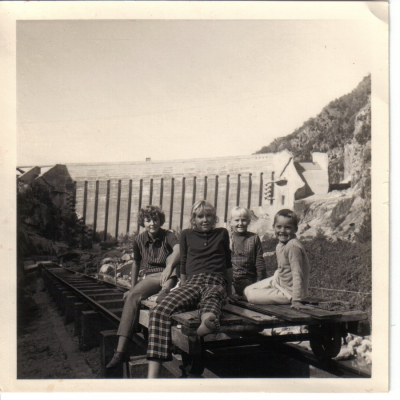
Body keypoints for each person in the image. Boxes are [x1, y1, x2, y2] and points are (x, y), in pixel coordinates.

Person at [146, 200, 233, 378]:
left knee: (213, 295)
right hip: (192, 282)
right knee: (158, 312)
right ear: (193, 219)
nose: (205, 220)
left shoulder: (222, 233)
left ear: (214, 218)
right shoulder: (186, 234)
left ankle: (207, 320)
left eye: (209, 216)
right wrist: (181, 285)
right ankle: (152, 378)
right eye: (200, 216)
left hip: (216, 279)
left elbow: (228, 264)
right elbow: (183, 263)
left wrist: (230, 291)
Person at [106, 205, 180, 369]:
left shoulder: (168, 235)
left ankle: (165, 291)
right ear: (142, 222)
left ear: (161, 220)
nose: (152, 223)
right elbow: (136, 264)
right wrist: (132, 288)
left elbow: (178, 249)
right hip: (153, 277)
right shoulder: (139, 239)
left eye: (155, 219)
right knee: (132, 297)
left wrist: (169, 266)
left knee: (175, 264)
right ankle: (120, 351)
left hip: (170, 274)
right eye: (148, 220)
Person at [244, 209, 310, 309]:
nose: (282, 231)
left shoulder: (293, 246)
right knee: (246, 291)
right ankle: (275, 287)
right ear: (273, 227)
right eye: (279, 227)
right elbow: (283, 268)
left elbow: (298, 274)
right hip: (279, 281)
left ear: (295, 229)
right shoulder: (280, 245)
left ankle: (289, 298)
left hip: (290, 292)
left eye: (287, 228)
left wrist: (296, 300)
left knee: (251, 296)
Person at [229, 206, 266, 298]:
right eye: (237, 220)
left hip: (250, 281)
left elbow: (259, 262)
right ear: (231, 222)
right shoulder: (229, 239)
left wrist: (260, 282)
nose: (240, 223)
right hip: (232, 281)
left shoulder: (254, 238)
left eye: (243, 220)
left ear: (249, 221)